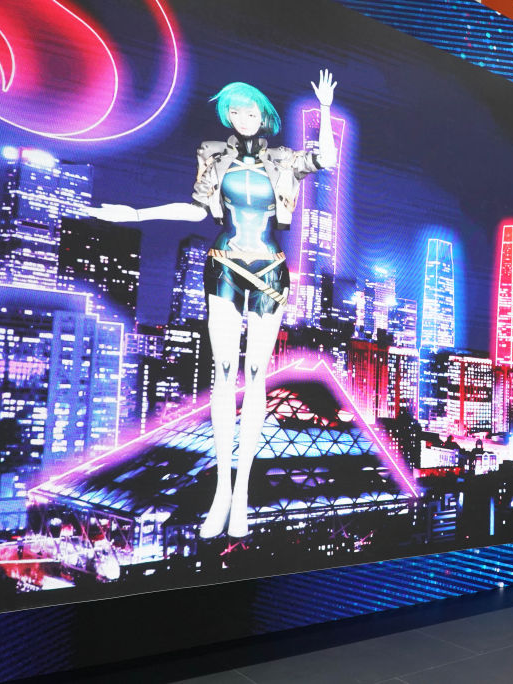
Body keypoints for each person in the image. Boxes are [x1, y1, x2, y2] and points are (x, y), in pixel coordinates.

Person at [89, 71, 338, 539]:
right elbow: (198, 209)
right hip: (223, 265)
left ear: (263, 115)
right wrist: (137, 214)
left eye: (250, 110)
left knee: (256, 375)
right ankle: (221, 490)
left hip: (270, 271)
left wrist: (324, 109)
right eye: (234, 111)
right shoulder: (213, 154)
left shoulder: (283, 159)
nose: (242, 118)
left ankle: (241, 494)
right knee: (224, 372)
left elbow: (326, 158)